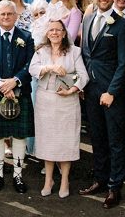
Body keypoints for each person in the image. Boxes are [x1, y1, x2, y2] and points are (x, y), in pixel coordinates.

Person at [78, 0, 125, 208]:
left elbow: (124, 63)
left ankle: (114, 186)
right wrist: (81, 84)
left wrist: (112, 91)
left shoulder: (122, 25)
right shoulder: (88, 18)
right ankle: (100, 179)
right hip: (90, 90)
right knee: (97, 138)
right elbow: (84, 54)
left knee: (115, 140)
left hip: (111, 93)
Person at [0, 0, 35, 193]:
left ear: (16, 16)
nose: (5, 17)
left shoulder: (26, 37)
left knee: (19, 136)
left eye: (9, 14)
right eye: (2, 14)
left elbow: (30, 64)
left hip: (20, 92)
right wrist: (2, 85)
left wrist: (16, 81)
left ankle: (18, 175)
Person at [29, 18, 88, 198]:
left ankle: (64, 180)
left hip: (67, 102)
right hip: (45, 100)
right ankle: (48, 179)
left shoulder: (74, 51)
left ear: (64, 33)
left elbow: (83, 76)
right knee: (47, 140)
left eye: (58, 30)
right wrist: (49, 67)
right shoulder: (41, 51)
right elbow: (32, 69)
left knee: (65, 140)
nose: (54, 33)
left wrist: (72, 89)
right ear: (47, 33)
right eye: (51, 30)